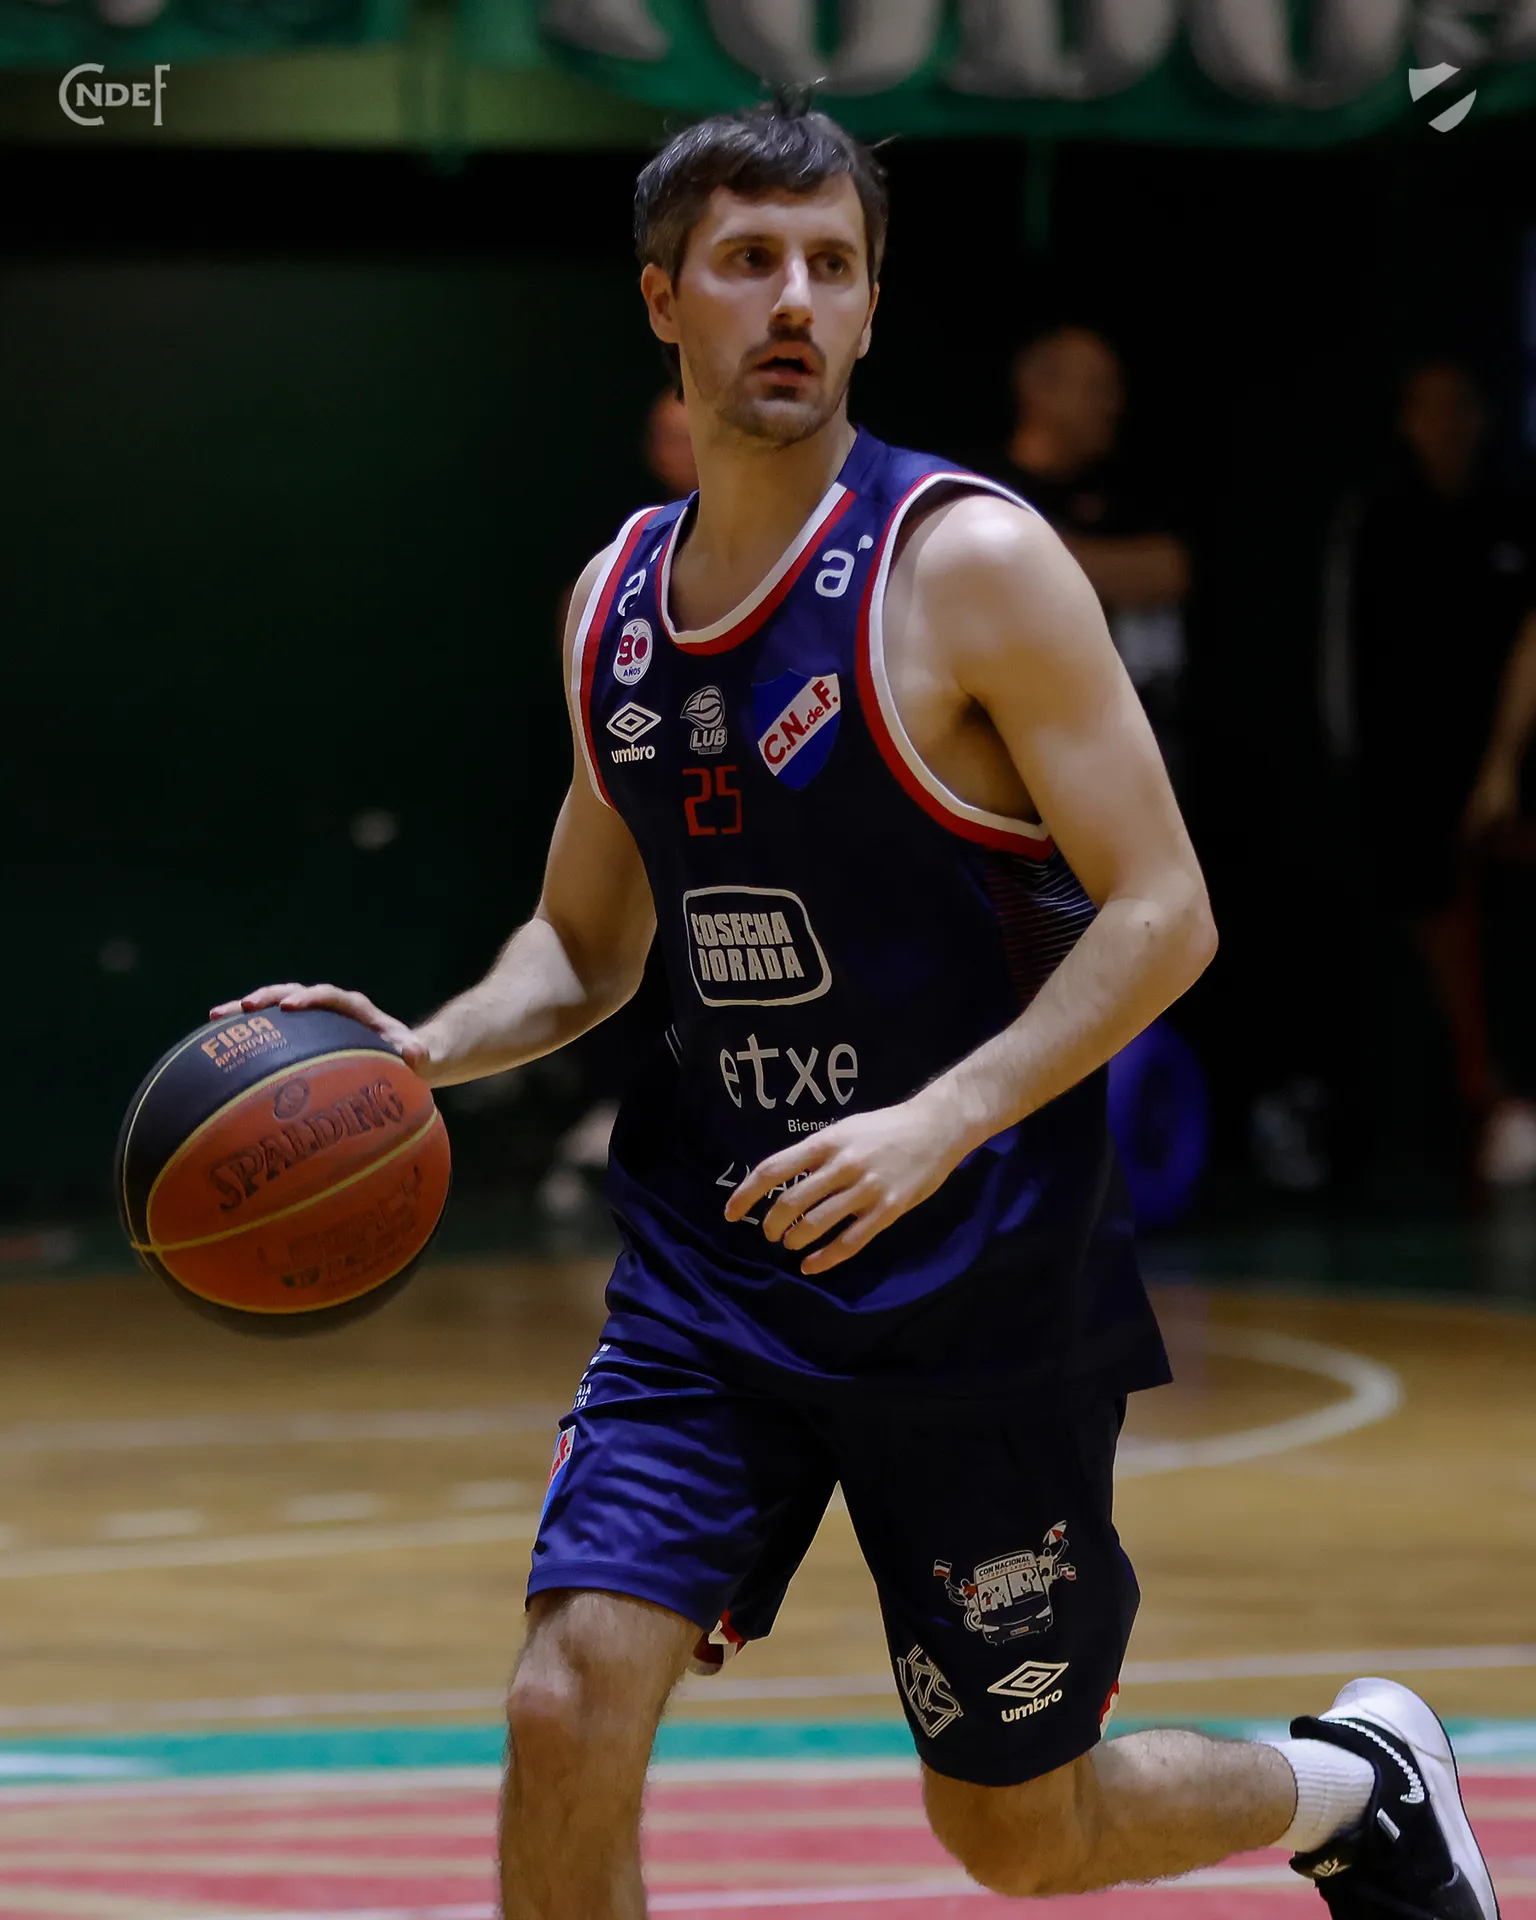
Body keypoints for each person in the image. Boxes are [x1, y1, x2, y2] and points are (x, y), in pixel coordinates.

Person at [213, 102, 1495, 1920]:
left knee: (1018, 1834)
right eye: (750, 261)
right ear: (665, 300)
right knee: (565, 1705)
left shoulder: (967, 565)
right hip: (717, 1275)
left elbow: (1167, 911)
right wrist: (419, 1050)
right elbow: (583, 945)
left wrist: (939, 1118)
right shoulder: (615, 608)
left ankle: (1355, 1786)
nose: (796, 299)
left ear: (876, 307)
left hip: (976, 1283)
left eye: (833, 264)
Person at [1338, 357, 1536, 1185]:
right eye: (1430, 409)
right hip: (1413, 783)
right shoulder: (1379, 520)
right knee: (1441, 949)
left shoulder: (1513, 513)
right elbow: (1350, 667)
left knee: (1510, 943)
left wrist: (1504, 767)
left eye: (1462, 407)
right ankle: (1474, 1113)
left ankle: (1508, 1104)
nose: (1448, 425)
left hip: (1507, 777)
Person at [967, 325, 1193, 784]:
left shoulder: (1127, 489)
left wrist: (1028, 552)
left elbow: (1169, 571)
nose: (1113, 405)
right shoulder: (978, 484)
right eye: (1096, 388)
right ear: (1040, 390)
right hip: (1019, 755)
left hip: (1137, 749)